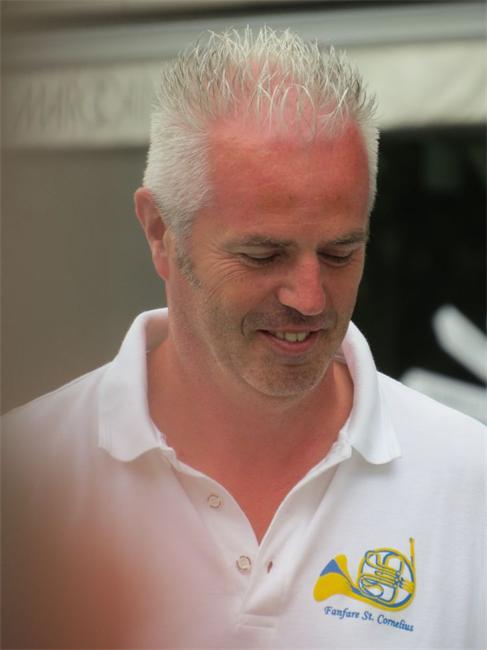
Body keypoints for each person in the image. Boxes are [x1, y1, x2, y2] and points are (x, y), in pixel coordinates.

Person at [2, 27, 485, 650]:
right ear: (159, 233)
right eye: (263, 255)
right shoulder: (26, 481)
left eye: (340, 253)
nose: (310, 298)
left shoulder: (470, 482)